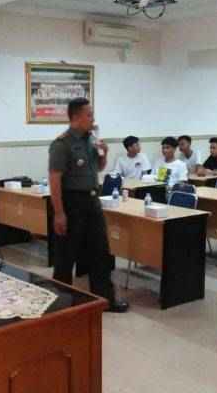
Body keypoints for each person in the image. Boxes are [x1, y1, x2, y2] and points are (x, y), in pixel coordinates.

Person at [48, 98, 128, 313]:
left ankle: (104, 299)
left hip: (92, 201)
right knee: (66, 256)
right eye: (89, 115)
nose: (93, 119)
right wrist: (59, 213)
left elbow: (98, 168)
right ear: (76, 117)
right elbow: (54, 179)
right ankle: (61, 303)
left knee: (100, 252)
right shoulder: (61, 144)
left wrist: (104, 153)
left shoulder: (91, 140)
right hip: (71, 203)